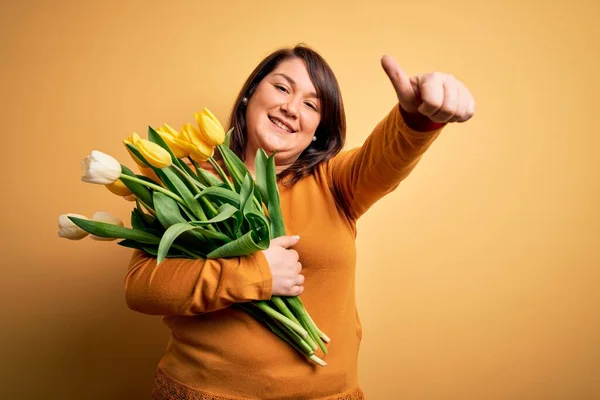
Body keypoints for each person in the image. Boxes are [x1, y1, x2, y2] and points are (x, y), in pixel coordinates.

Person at [125, 44, 475, 399]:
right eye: (282, 87)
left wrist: (416, 119)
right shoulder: (185, 183)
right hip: (201, 392)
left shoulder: (336, 182)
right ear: (249, 94)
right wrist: (254, 273)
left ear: (318, 130)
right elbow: (141, 287)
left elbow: (386, 156)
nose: (291, 108)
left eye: (311, 105)